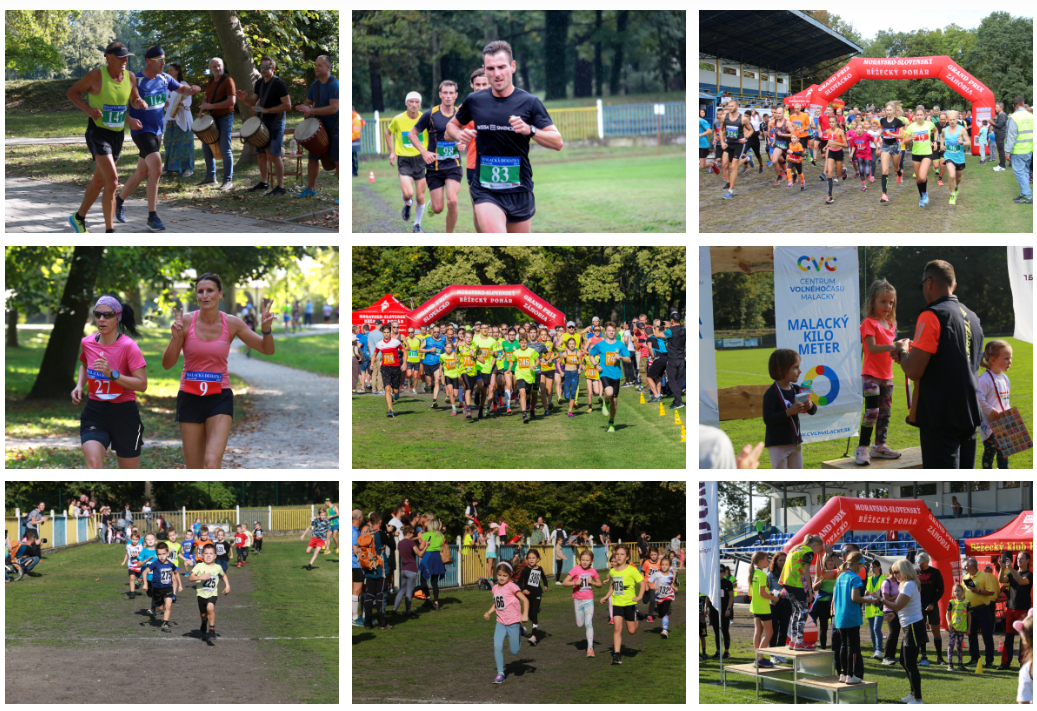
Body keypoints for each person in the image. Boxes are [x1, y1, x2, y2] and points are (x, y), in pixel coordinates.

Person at [446, 40, 562, 232]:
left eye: (502, 67)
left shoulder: (530, 102)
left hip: (519, 189)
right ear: (484, 69)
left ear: (513, 66)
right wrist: (460, 134)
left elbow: (557, 141)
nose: (497, 74)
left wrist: (529, 129)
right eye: (491, 68)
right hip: (486, 188)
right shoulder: (475, 101)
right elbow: (452, 125)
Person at [163, 275, 275, 468]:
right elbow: (167, 364)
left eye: (210, 291)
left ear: (220, 294)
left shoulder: (232, 323)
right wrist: (176, 338)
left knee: (212, 463)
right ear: (196, 295)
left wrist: (266, 330)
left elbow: (267, 349)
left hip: (219, 396)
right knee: (194, 469)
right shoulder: (185, 322)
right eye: (200, 291)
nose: (205, 295)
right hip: (190, 396)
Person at [894, 260, 984, 468]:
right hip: (969, 413)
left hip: (940, 416)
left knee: (944, 483)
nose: (923, 290)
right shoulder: (973, 317)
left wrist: (902, 351)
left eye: (922, 285)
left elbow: (914, 370)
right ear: (954, 285)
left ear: (929, 282)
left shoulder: (931, 314)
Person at [111, 47, 202, 231]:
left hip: (158, 131)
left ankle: (118, 201)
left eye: (164, 60)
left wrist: (192, 90)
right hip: (142, 132)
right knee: (157, 168)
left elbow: (181, 88)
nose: (163, 63)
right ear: (148, 61)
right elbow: (119, 103)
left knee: (142, 172)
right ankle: (152, 216)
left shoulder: (164, 79)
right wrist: (130, 117)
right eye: (159, 60)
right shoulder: (136, 80)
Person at [65, 42, 148, 233]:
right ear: (108, 57)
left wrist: (138, 103)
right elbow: (72, 92)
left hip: (117, 135)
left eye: (126, 57)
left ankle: (78, 218)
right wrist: (87, 109)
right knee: (112, 181)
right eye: (120, 57)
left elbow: (133, 100)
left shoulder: (130, 77)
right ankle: (109, 231)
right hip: (98, 133)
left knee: (99, 181)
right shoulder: (96, 76)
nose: (124, 61)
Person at [72, 295, 148, 469]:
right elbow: (84, 366)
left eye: (108, 315)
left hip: (125, 414)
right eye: (98, 314)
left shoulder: (129, 346)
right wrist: (79, 385)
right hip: (95, 412)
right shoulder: (88, 343)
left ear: (118, 317)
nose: (101, 319)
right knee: (93, 465)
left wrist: (112, 374)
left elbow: (142, 384)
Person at [856, 279, 901, 465]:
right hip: (870, 376)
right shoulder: (869, 322)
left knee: (885, 413)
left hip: (887, 378)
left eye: (891, 302)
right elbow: (872, 348)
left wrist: (899, 354)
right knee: (872, 412)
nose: (887, 306)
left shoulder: (891, 325)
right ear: (872, 302)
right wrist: (893, 346)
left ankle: (880, 446)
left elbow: (888, 353)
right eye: (883, 301)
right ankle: (862, 449)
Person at [410, 81, 464, 232]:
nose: (448, 96)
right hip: (434, 167)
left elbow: (465, 135)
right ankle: (432, 205)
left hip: (454, 165)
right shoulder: (430, 114)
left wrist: (462, 144)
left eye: (451, 93)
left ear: (456, 95)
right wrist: (424, 152)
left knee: (452, 201)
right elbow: (412, 134)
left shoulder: (460, 114)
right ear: (440, 95)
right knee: (438, 208)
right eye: (445, 93)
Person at [234, 55, 290, 196]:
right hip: (263, 122)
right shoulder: (259, 83)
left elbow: (287, 105)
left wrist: (267, 110)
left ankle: (280, 187)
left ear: (273, 68)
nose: (264, 69)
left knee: (274, 154)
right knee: (260, 154)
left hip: (277, 121)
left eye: (267, 67)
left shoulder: (279, 83)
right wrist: (243, 99)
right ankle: (264, 183)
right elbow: (253, 102)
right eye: (262, 67)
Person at [763, 348, 818, 469]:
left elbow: (813, 411)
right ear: (780, 370)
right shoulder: (771, 393)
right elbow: (768, 419)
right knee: (782, 482)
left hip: (796, 442)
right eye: (795, 367)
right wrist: (788, 412)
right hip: (778, 445)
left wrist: (810, 405)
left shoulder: (797, 389)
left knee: (797, 482)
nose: (800, 371)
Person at [294, 55, 339, 200]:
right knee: (313, 157)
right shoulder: (314, 85)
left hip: (335, 126)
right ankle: (311, 188)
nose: (316, 67)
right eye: (315, 65)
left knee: (338, 160)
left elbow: (334, 108)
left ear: (328, 67)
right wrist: (305, 108)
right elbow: (309, 102)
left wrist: (311, 111)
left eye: (320, 65)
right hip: (319, 126)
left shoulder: (335, 85)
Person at [882, 559, 927, 704]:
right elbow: (904, 607)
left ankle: (918, 699)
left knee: (910, 664)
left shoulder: (908, 584)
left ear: (904, 571)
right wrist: (894, 614)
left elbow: (897, 606)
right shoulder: (908, 584)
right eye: (893, 572)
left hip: (913, 626)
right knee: (904, 661)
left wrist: (880, 600)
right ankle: (914, 693)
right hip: (912, 625)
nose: (894, 575)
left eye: (896, 572)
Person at [600, 544, 646, 666]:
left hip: (630, 603)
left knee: (631, 631)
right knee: (617, 628)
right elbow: (613, 586)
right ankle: (617, 655)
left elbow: (642, 584)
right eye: (617, 554)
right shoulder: (612, 571)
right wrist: (606, 597)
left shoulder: (632, 570)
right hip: (617, 603)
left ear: (627, 557)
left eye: (622, 554)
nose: (619, 556)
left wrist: (639, 597)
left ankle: (637, 615)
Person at [196, 57, 237, 191]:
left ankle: (227, 180)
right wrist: (202, 110)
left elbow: (232, 101)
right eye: (214, 66)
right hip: (212, 118)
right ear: (210, 68)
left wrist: (211, 105)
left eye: (219, 65)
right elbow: (206, 98)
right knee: (206, 146)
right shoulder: (210, 82)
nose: (217, 68)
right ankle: (211, 177)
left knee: (225, 147)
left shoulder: (228, 80)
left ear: (223, 66)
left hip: (225, 117)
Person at [485, 562, 530, 683]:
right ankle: (500, 673)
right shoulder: (494, 588)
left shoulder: (512, 586)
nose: (501, 578)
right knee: (497, 646)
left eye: (504, 575)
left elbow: (525, 600)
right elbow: (497, 603)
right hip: (500, 622)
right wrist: (489, 612)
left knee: (514, 651)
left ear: (510, 576)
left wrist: (525, 614)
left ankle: (520, 629)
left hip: (514, 621)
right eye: (499, 575)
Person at [779, 534, 824, 650]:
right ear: (815, 544)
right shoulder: (808, 551)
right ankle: (799, 641)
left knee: (798, 610)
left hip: (786, 581)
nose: (820, 550)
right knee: (803, 610)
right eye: (820, 547)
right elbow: (806, 571)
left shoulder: (796, 548)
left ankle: (793, 641)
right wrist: (810, 590)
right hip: (796, 583)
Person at [588, 323, 632, 434]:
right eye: (609, 330)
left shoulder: (620, 345)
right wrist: (595, 365)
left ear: (615, 332)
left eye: (613, 330)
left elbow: (629, 360)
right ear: (606, 332)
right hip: (604, 373)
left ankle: (611, 423)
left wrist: (620, 357)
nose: (611, 332)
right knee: (609, 392)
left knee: (615, 401)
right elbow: (591, 355)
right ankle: (606, 402)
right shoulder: (600, 344)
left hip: (616, 375)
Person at [562, 548, 603, 656]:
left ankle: (590, 648)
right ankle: (583, 623)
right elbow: (564, 582)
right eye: (583, 559)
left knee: (588, 623)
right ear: (580, 560)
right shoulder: (576, 569)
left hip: (589, 600)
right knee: (580, 624)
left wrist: (593, 582)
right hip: (578, 601)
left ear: (591, 561)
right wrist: (575, 582)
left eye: (587, 560)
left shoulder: (593, 571)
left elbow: (600, 584)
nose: (585, 562)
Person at [188, 543, 230, 642]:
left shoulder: (217, 567)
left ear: (215, 556)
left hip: (212, 594)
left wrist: (227, 586)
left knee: (210, 608)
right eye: (206, 553)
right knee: (203, 615)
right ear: (202, 555)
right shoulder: (199, 566)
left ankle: (211, 629)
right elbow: (191, 577)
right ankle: (204, 623)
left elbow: (223, 575)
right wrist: (200, 577)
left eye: (211, 553)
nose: (208, 555)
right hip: (201, 595)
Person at [962, 556, 998, 668]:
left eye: (966, 565)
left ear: (972, 566)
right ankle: (974, 659)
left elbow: (991, 592)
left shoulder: (984, 576)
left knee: (987, 635)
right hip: (970, 611)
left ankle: (989, 660)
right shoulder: (966, 577)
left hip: (983, 609)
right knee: (971, 635)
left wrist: (978, 591)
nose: (964, 567)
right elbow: (964, 594)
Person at [999, 551, 1032, 670]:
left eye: (1022, 559)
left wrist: (1010, 569)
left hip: (1023, 610)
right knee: (1008, 637)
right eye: (1018, 558)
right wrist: (1002, 568)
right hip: (1011, 609)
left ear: (1028, 561)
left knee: (1024, 638)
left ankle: (1023, 663)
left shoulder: (1030, 574)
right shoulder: (1012, 573)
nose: (1019, 560)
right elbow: (1001, 580)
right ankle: (1005, 663)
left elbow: (1022, 581)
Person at [162, 63, 196, 177]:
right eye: (168, 70)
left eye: (171, 70)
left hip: (182, 118)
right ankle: (171, 168)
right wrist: (164, 103)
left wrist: (181, 104)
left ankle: (188, 168)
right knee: (169, 142)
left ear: (177, 71)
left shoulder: (183, 84)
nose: (169, 72)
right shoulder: (166, 85)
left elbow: (188, 100)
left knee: (185, 144)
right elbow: (164, 101)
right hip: (169, 118)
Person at [901, 105, 938, 207]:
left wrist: (935, 141)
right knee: (918, 179)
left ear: (924, 115)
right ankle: (921, 197)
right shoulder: (911, 126)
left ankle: (925, 194)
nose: (920, 117)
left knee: (922, 177)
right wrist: (910, 138)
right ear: (915, 116)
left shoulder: (929, 124)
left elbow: (936, 131)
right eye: (917, 115)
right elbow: (905, 141)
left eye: (921, 115)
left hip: (926, 153)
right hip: (916, 154)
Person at [914, 552, 946, 667]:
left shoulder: (935, 572)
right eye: (918, 563)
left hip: (932, 606)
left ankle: (939, 656)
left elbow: (941, 590)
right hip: (919, 607)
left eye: (921, 563)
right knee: (921, 631)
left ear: (927, 562)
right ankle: (923, 655)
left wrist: (933, 603)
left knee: (936, 631)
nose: (919, 565)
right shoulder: (915, 572)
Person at [718, 99, 752, 200]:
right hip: (728, 144)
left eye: (732, 106)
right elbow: (720, 130)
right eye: (729, 106)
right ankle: (747, 159)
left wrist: (745, 138)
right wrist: (722, 142)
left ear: (737, 107)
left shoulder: (743, 119)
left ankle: (730, 191)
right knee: (725, 165)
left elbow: (751, 130)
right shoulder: (724, 117)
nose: (730, 107)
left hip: (738, 144)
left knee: (733, 166)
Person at [141, 542, 179, 633]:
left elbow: (176, 572)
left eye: (163, 554)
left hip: (168, 589)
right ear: (156, 554)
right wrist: (145, 584)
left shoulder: (171, 564)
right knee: (160, 608)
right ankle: (156, 609)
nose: (161, 556)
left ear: (168, 553)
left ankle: (165, 624)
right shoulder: (155, 563)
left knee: (168, 605)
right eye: (159, 554)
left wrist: (178, 583)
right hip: (157, 589)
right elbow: (144, 572)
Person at [516, 549, 549, 644]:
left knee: (533, 615)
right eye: (529, 558)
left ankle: (534, 636)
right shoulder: (525, 569)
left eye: (533, 558)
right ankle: (537, 608)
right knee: (530, 615)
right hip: (527, 596)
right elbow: (519, 582)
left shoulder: (540, 569)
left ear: (538, 559)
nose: (531, 559)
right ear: (526, 560)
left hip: (537, 594)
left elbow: (544, 578)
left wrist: (546, 585)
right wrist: (523, 590)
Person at [1006, 96, 1033, 204]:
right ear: (1023, 103)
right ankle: (1023, 193)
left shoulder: (1014, 118)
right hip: (1029, 149)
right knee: (1025, 172)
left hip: (1019, 150)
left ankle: (1027, 195)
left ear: (1014, 106)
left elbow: (1011, 136)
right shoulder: (1031, 116)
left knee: (1019, 173)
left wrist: (1008, 151)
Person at [373, 324, 404, 418]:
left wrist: (404, 363)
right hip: (385, 368)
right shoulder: (379, 343)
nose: (386, 334)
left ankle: (397, 392)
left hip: (395, 367)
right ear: (382, 333)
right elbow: (374, 354)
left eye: (388, 332)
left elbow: (404, 352)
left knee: (394, 390)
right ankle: (390, 410)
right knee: (387, 388)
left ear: (390, 332)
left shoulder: (396, 342)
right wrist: (371, 363)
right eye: (384, 332)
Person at [878, 101, 905, 204]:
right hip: (885, 146)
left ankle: (899, 173)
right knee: (884, 170)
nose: (888, 112)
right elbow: (881, 128)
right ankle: (884, 194)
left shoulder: (898, 122)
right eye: (887, 110)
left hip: (895, 146)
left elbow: (902, 136)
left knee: (895, 168)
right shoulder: (882, 120)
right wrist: (880, 135)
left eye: (890, 110)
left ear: (893, 110)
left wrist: (892, 134)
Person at [944, 582, 971, 671]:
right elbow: (947, 613)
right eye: (955, 591)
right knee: (951, 645)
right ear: (953, 592)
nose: (956, 593)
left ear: (962, 592)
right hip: (953, 628)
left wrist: (969, 628)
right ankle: (950, 664)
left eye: (958, 591)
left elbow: (969, 616)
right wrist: (949, 623)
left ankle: (960, 665)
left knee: (959, 646)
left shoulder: (967, 603)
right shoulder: (952, 602)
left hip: (962, 629)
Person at [420, 325, 446, 409]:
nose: (436, 333)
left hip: (437, 363)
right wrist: (429, 350)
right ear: (432, 332)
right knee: (429, 383)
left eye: (438, 332)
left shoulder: (443, 340)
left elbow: (448, 349)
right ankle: (431, 386)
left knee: (437, 381)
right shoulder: (427, 339)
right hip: (427, 363)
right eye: (434, 332)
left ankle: (434, 400)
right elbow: (420, 349)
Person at [352, 510, 366, 627]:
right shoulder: (354, 532)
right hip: (355, 564)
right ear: (359, 518)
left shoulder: (353, 530)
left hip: (353, 564)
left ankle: (354, 616)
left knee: (355, 590)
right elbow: (356, 551)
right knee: (357, 590)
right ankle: (355, 617)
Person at [992, 101, 1008, 171]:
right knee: (999, 150)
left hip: (1000, 134)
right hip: (998, 134)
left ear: (1001, 108)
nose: (995, 108)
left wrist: (992, 123)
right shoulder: (1000, 115)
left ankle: (1002, 165)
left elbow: (1000, 125)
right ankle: (1001, 164)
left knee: (1001, 150)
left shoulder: (1003, 115)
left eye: (997, 107)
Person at [352, 105, 366, 177]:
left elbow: (356, 133)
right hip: (352, 141)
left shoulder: (356, 119)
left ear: (353, 111)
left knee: (353, 158)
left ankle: (355, 172)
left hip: (354, 142)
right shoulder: (353, 118)